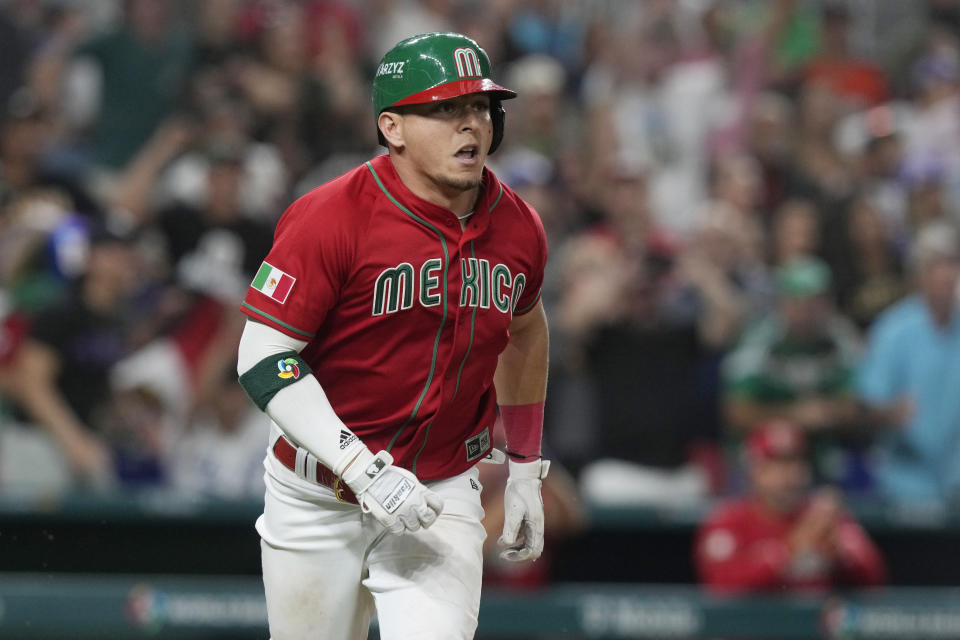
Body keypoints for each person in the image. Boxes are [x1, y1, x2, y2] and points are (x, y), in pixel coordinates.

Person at [235, 32, 550, 639]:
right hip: (316, 493)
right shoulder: (330, 215)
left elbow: (527, 330)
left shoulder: (519, 225)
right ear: (393, 127)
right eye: (445, 110)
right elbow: (261, 353)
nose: (471, 126)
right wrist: (362, 467)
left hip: (440, 491)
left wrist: (526, 468)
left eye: (480, 108)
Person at [695, 419, 886, 593]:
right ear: (754, 470)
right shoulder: (727, 520)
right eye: (777, 464)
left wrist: (841, 556)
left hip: (811, 628)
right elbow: (720, 583)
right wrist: (789, 550)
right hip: (751, 629)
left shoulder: (825, 516)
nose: (789, 475)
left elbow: (874, 579)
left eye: (796, 462)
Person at [857, 221, 960, 502]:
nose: (947, 275)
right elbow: (869, 403)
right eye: (937, 266)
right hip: (906, 476)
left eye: (952, 264)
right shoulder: (893, 330)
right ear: (919, 275)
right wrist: (890, 412)